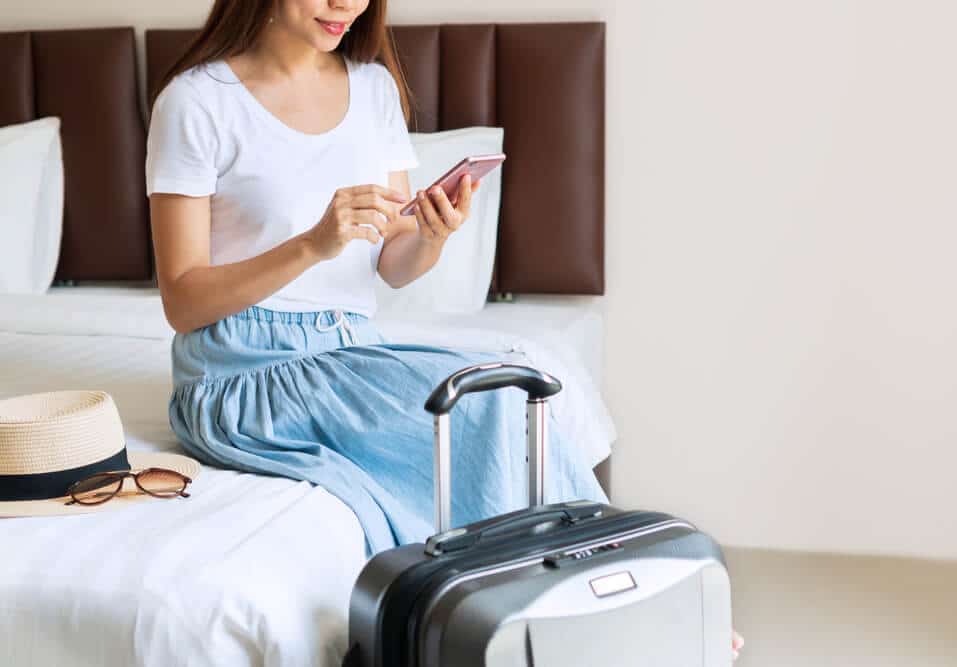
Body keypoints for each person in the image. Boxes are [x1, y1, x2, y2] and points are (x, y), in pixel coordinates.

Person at [146, 0, 742, 659]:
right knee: (480, 413)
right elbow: (181, 298)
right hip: (243, 372)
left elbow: (395, 264)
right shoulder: (196, 102)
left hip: (345, 349)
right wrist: (312, 244)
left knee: (509, 391)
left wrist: (429, 235)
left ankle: (598, 589)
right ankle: (609, 600)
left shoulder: (370, 89)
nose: (348, 4)